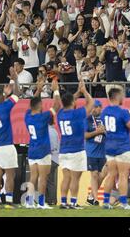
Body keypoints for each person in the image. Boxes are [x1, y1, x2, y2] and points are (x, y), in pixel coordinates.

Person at [57, 80, 94, 209]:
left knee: (66, 177)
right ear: (73, 103)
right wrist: (84, 91)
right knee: (75, 178)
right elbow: (91, 103)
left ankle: (63, 202)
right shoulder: (77, 114)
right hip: (76, 150)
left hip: (63, 150)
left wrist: (78, 91)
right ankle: (73, 202)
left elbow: (69, 101)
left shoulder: (60, 114)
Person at [24, 80, 61, 209]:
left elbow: (32, 105)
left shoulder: (27, 117)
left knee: (33, 176)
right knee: (43, 178)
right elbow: (57, 105)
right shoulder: (43, 117)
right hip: (43, 151)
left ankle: (29, 202)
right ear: (40, 106)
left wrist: (38, 90)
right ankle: (40, 203)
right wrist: (55, 90)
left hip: (32, 150)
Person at [101, 87, 130, 210]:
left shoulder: (104, 111)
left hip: (109, 146)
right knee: (123, 175)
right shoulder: (123, 112)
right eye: (122, 95)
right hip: (122, 146)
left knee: (111, 174)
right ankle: (124, 203)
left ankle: (106, 202)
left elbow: (104, 128)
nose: (123, 98)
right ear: (117, 97)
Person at [85, 100, 106, 206]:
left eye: (96, 107)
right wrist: (97, 132)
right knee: (94, 174)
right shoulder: (87, 119)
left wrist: (105, 131)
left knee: (101, 175)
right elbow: (85, 135)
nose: (93, 109)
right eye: (92, 107)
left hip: (103, 152)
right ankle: (96, 199)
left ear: (100, 108)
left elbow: (109, 132)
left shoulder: (104, 119)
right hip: (91, 152)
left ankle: (91, 196)